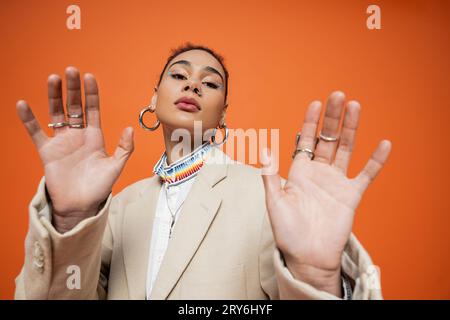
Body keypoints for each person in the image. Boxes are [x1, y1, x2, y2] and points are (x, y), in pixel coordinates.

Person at [14, 43, 391, 300]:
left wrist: (316, 277)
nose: (193, 84)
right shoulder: (120, 208)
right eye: (179, 76)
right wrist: (70, 220)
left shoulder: (269, 198)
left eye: (210, 83)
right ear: (153, 97)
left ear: (223, 114)